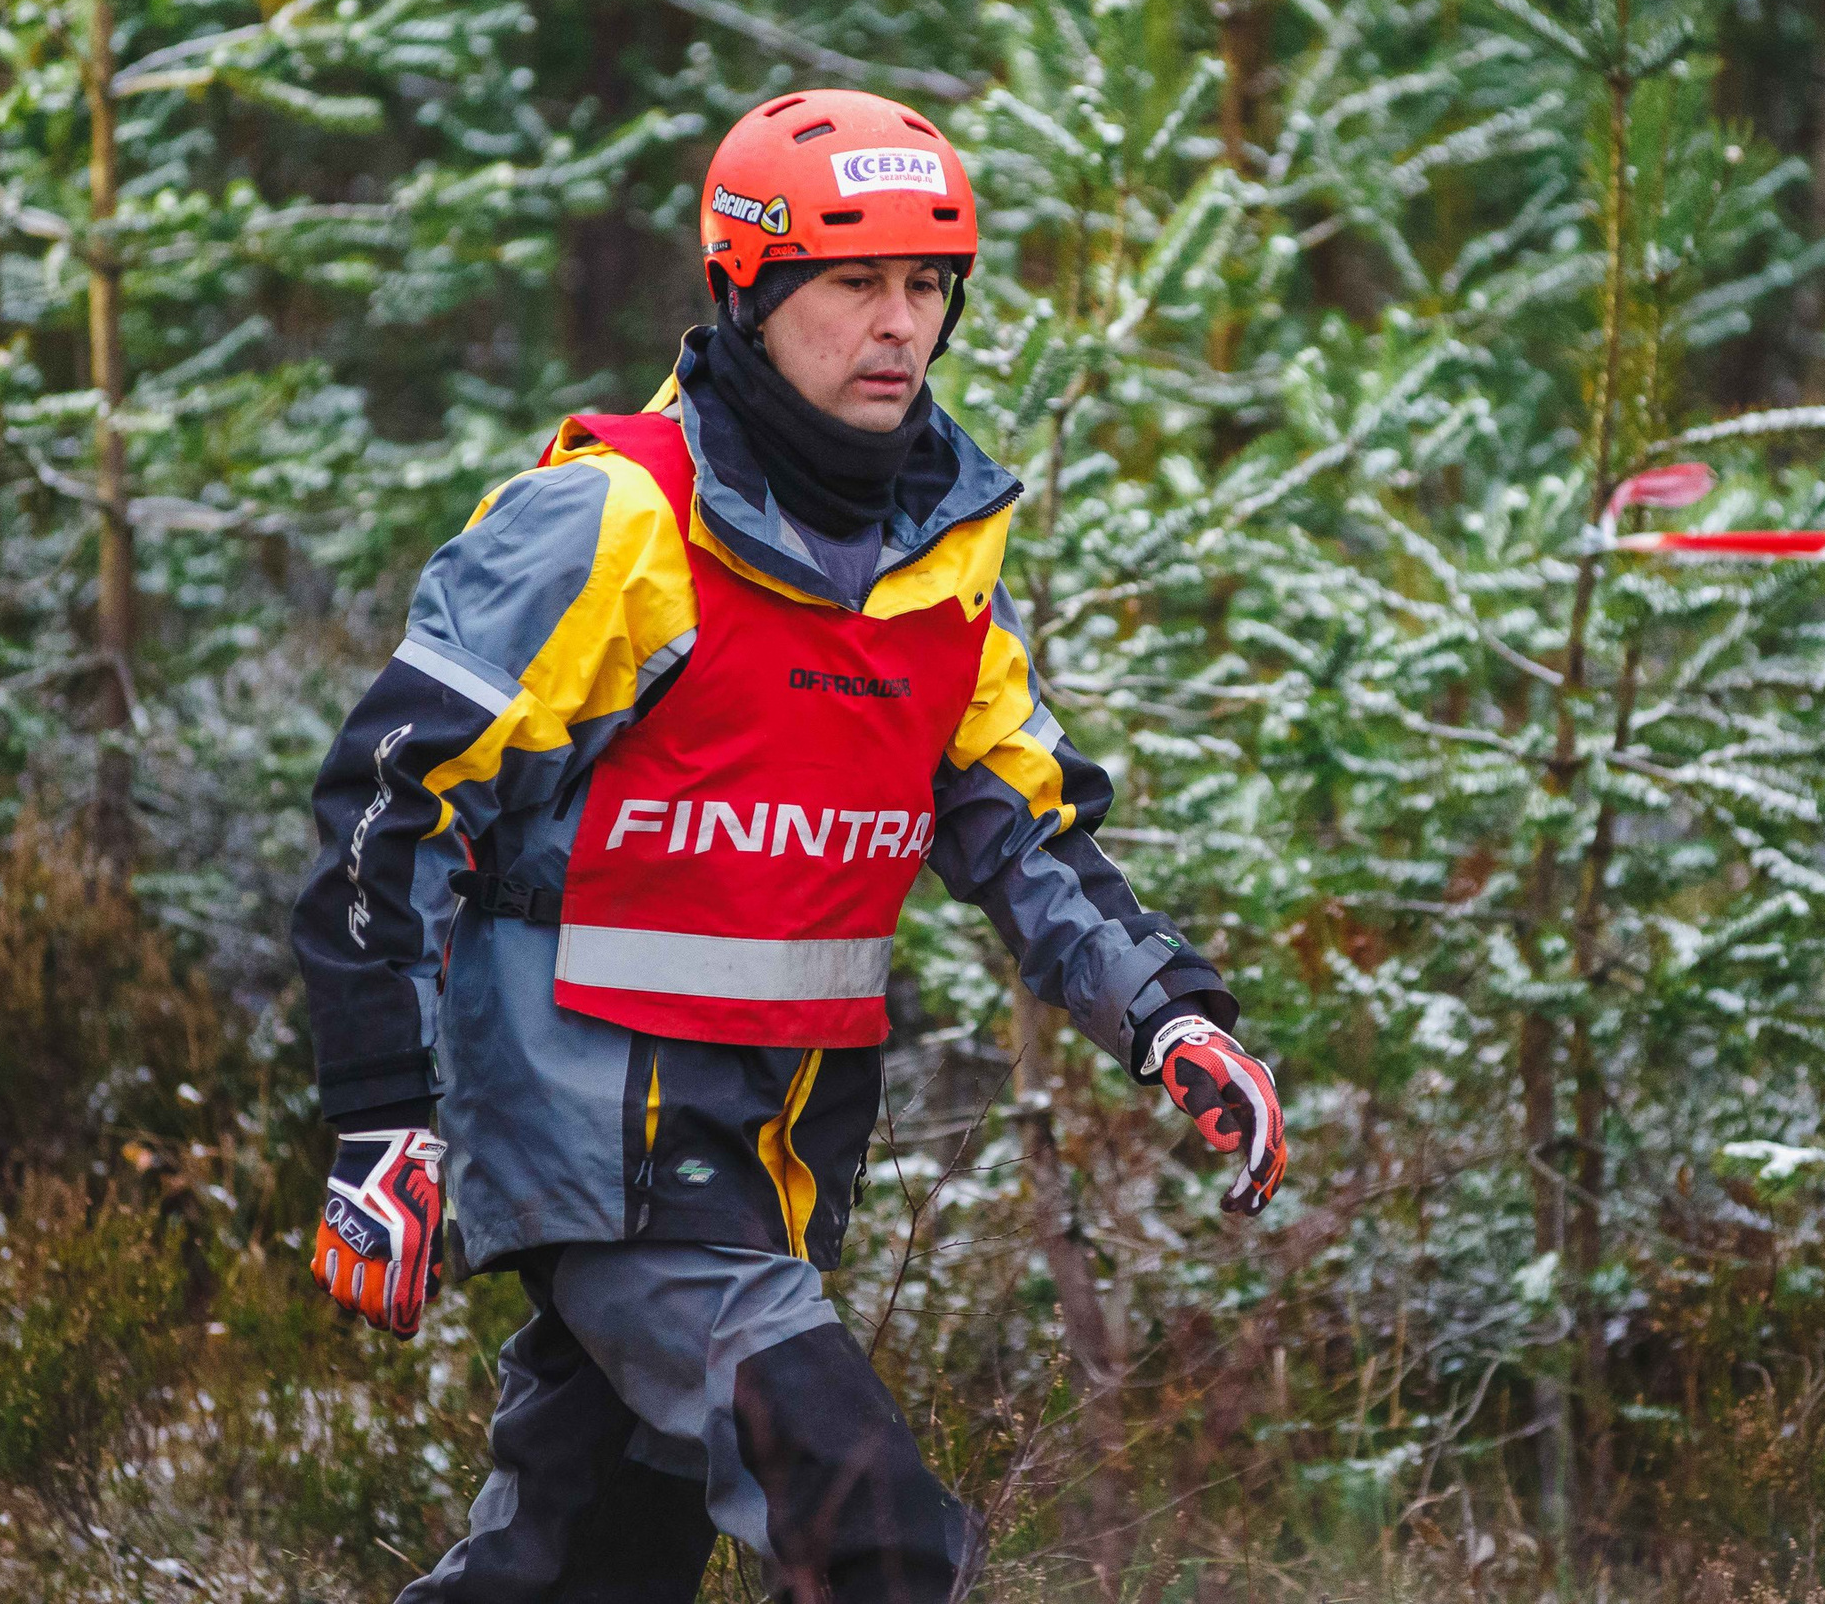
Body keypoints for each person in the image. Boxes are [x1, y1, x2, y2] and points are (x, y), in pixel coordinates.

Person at [290, 87, 1289, 1604]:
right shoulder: (612, 519)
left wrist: (1172, 1019)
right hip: (602, 1155)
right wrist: (382, 1118)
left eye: (927, 285)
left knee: (574, 1574)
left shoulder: (943, 559)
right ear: (748, 292)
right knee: (872, 1536)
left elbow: (1027, 829)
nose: (900, 325)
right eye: (853, 283)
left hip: (772, 1162)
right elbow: (390, 798)